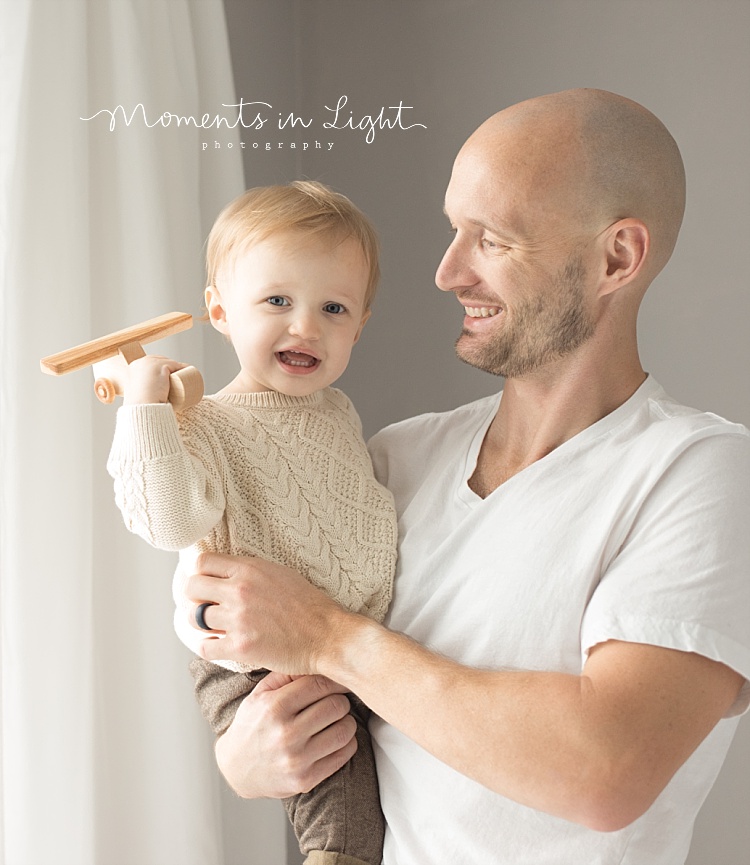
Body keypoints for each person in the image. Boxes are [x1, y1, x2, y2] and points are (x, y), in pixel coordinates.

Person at [185, 89, 750, 865]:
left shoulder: (698, 472)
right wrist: (243, 758)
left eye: (493, 239)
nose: (449, 271)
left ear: (616, 256)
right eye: (456, 231)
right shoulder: (390, 460)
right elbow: (238, 619)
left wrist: (329, 636)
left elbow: (606, 770)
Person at [106, 181, 398, 865]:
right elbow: (168, 521)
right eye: (277, 301)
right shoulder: (204, 423)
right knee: (344, 820)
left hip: (346, 648)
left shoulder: (340, 415)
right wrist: (146, 412)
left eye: (333, 308)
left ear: (358, 326)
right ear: (220, 310)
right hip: (260, 663)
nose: (305, 326)